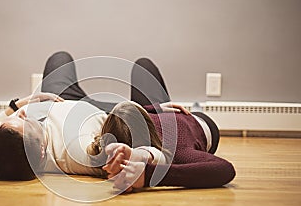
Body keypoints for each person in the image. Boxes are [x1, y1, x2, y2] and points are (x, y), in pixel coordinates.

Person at [0, 51, 181, 180]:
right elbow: (126, 160)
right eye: (26, 121)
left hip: (60, 99)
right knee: (143, 68)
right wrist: (152, 113)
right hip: (107, 114)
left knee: (59, 59)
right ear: (42, 151)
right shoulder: (80, 154)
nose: (23, 113)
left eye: (15, 118)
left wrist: (17, 104)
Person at [89, 61, 236, 193]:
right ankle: (158, 110)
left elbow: (226, 170)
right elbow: (225, 170)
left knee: (142, 66)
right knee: (143, 64)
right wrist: (150, 175)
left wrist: (156, 108)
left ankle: (148, 110)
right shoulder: (176, 150)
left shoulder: (178, 149)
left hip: (174, 116)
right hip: (186, 120)